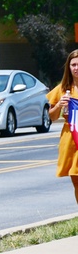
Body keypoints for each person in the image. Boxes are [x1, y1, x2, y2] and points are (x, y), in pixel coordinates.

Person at [47, 49, 78, 204]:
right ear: (68, 67)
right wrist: (59, 105)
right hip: (70, 137)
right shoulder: (63, 89)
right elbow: (51, 117)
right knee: (76, 179)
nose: (76, 68)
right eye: (73, 64)